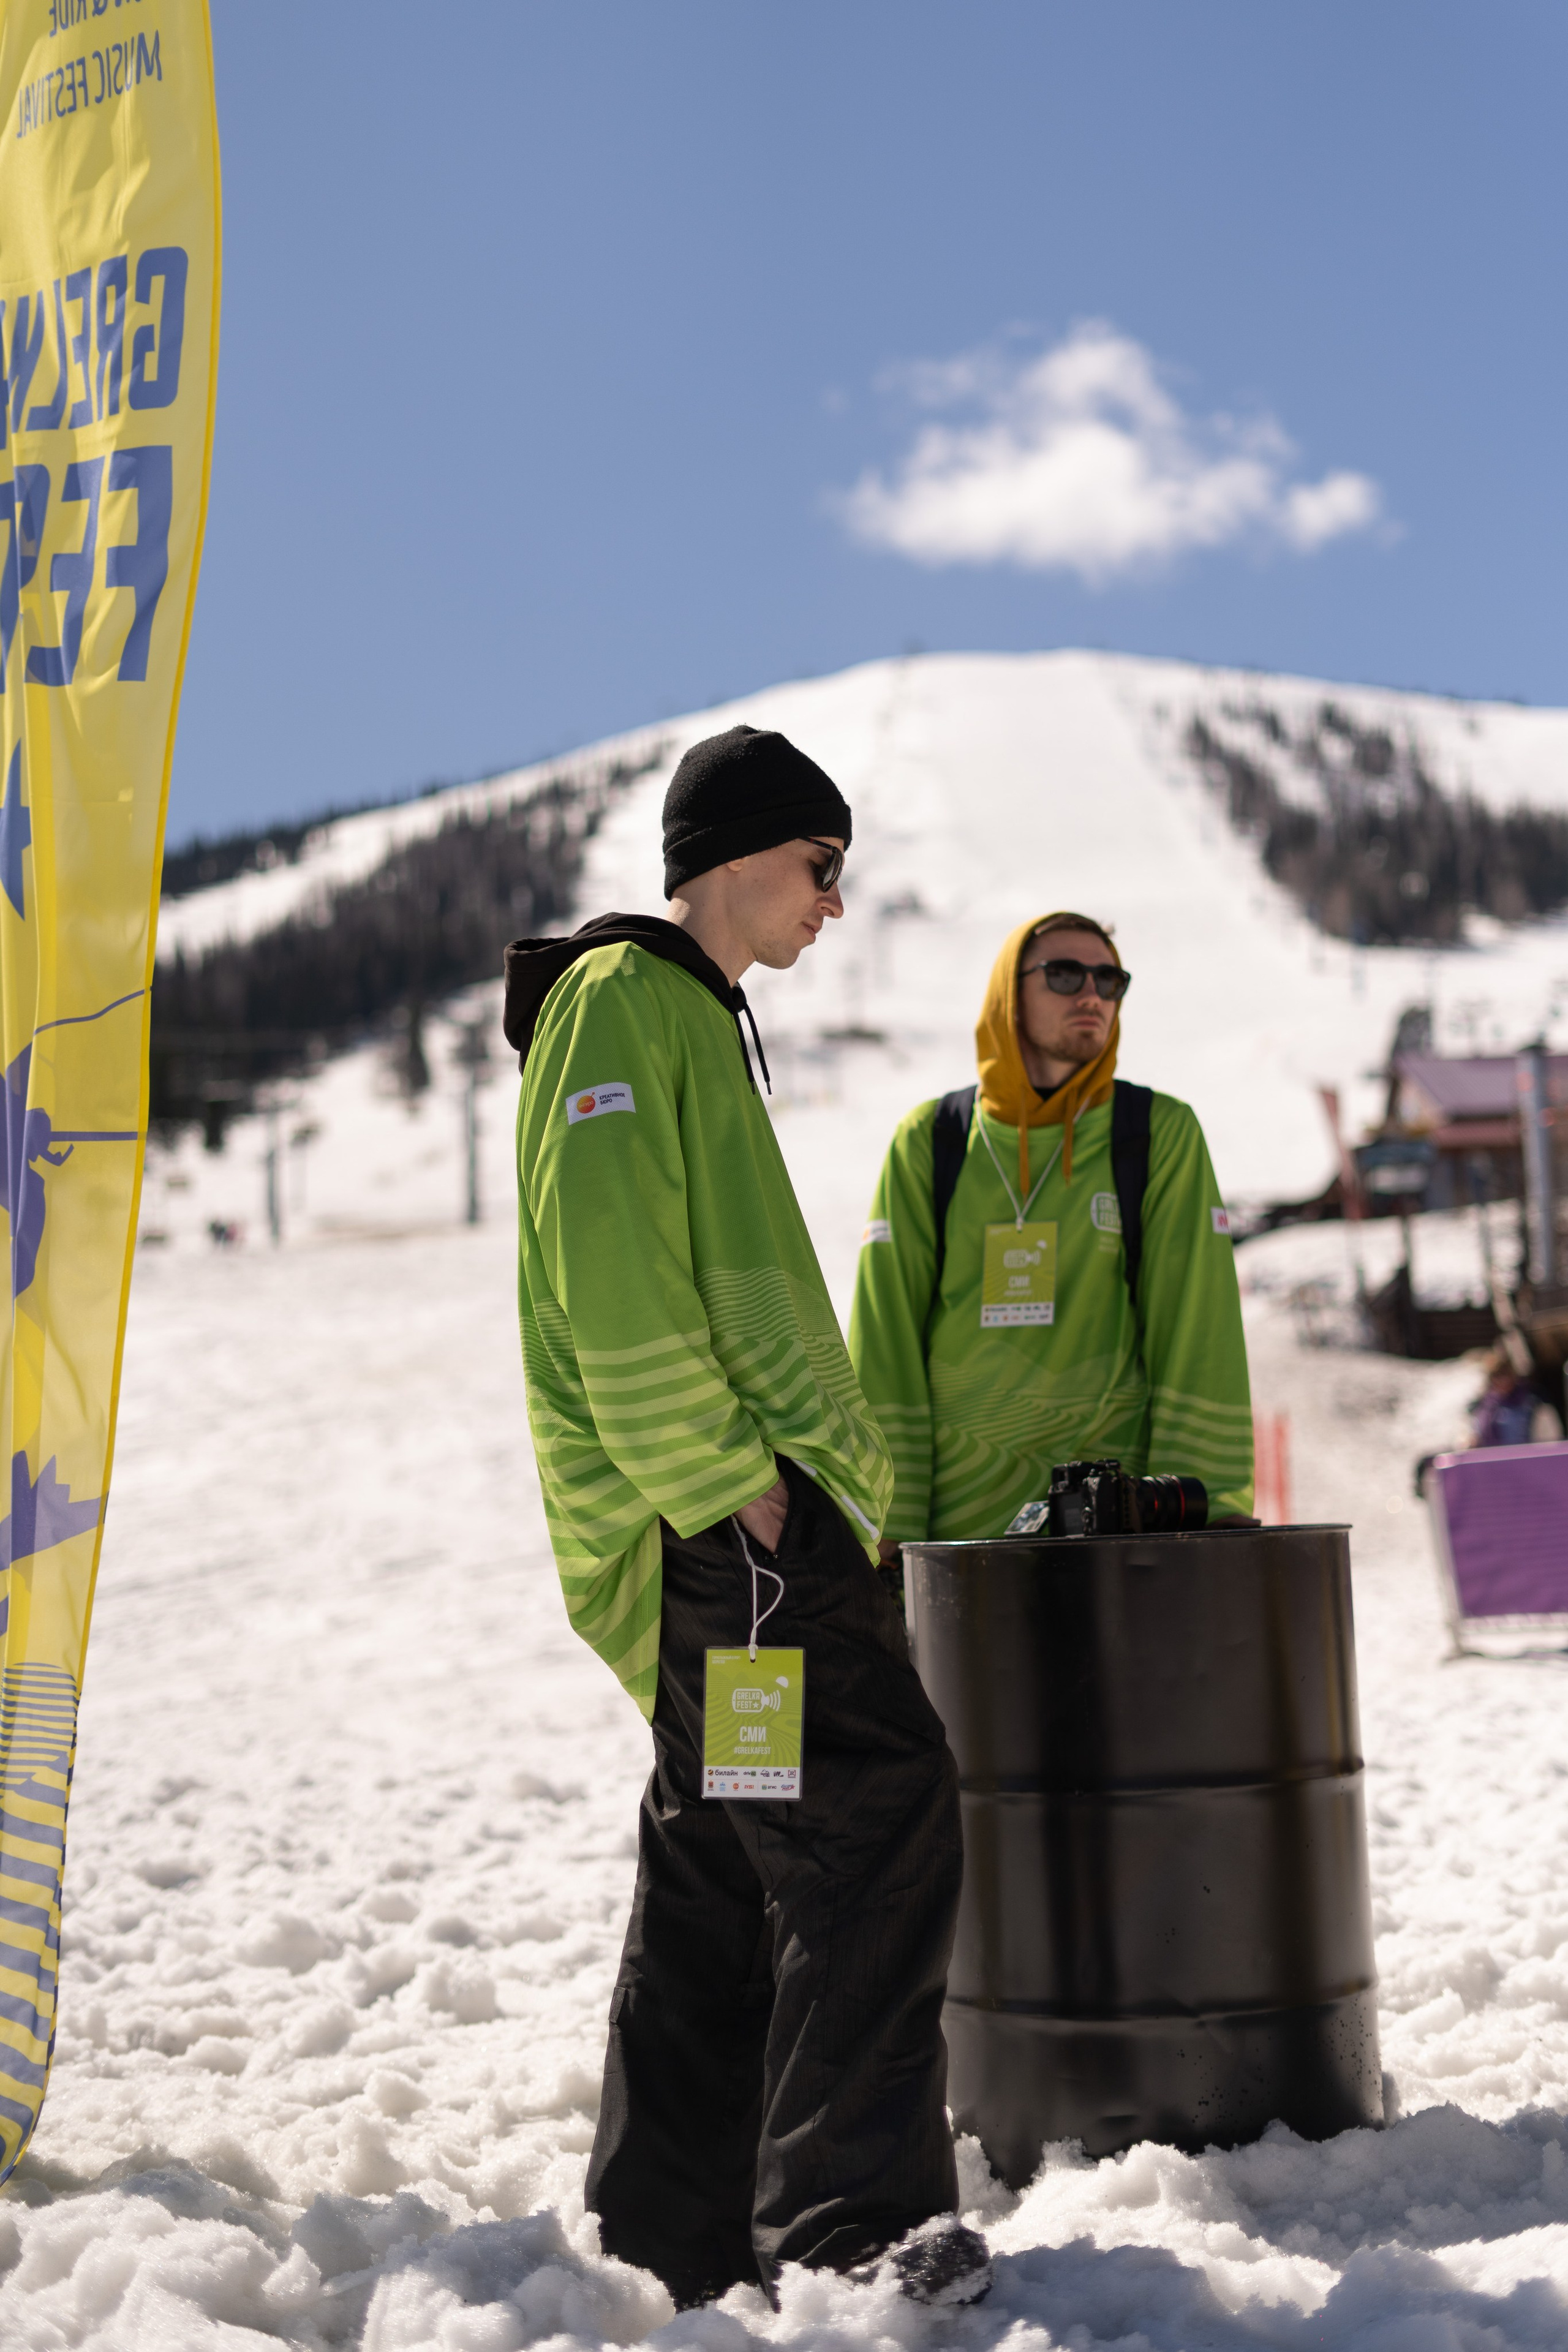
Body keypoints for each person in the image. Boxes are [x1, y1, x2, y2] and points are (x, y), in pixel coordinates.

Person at [502, 725, 988, 2313]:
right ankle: (855, 2239)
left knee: (725, 1853)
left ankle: (671, 2233)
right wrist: (730, 1479)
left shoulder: (682, 1017)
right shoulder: (624, 1006)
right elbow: (615, 1277)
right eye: (821, 866)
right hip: (739, 1538)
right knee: (875, 1820)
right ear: (733, 856)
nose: (835, 904)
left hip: (739, 1533)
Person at [850, 911, 1254, 1550]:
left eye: (1109, 979)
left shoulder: (1156, 1135)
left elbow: (1197, 1332)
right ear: (1010, 993)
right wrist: (882, 1532)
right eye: (1064, 975)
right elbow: (885, 1349)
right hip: (961, 1541)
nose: (1092, 994)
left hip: (1115, 1534)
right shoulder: (930, 1141)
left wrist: (1207, 1507)